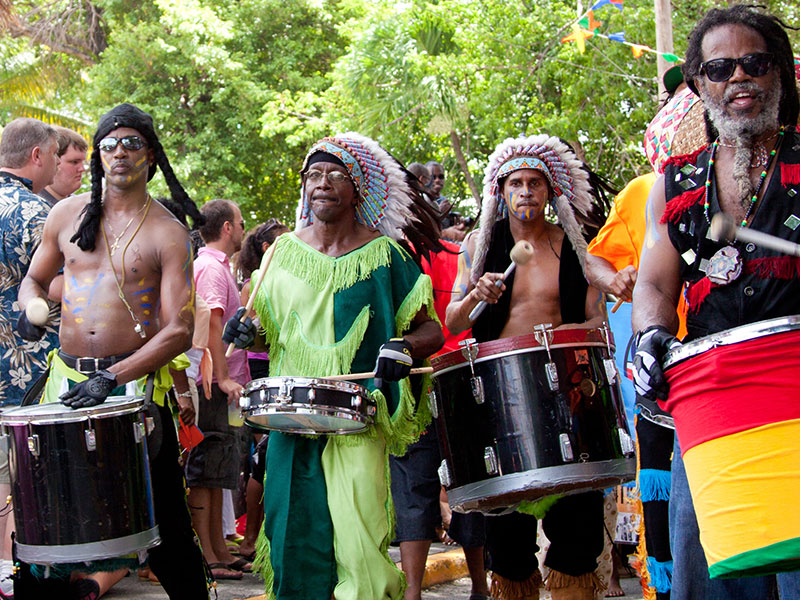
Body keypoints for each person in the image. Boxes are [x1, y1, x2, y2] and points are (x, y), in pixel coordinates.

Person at [225, 131, 444, 600]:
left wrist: (404, 347)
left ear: (358, 187)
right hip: (289, 421)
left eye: (336, 174)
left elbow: (432, 331)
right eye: (314, 174)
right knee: (290, 534)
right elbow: (264, 328)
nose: (323, 183)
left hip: (358, 420)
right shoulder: (281, 254)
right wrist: (247, 333)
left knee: (360, 541)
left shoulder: (388, 256)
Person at [631, 6, 800, 599]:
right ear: (701, 85)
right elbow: (653, 283)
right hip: (711, 410)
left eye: (754, 63)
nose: (739, 79)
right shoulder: (675, 183)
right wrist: (648, 335)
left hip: (797, 401)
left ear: (780, 72)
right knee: (713, 581)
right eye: (720, 68)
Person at [16, 103, 209, 599]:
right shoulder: (65, 213)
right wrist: (30, 307)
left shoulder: (167, 231)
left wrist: (114, 377)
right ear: (98, 154)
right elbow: (34, 280)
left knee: (161, 520)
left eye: (131, 144)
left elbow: (179, 330)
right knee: (53, 521)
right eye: (108, 145)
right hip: (64, 386)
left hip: (132, 392)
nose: (118, 153)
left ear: (151, 154)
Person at [445, 134, 607, 600]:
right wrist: (478, 293)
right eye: (516, 182)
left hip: (568, 396)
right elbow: (453, 320)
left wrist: (572, 338)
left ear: (549, 190)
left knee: (578, 530)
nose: (526, 192)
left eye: (535, 183)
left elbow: (597, 317)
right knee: (509, 545)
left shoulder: (571, 247)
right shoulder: (479, 245)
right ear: (501, 191)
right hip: (500, 400)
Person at [585, 65, 697, 600]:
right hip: (666, 363)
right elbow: (599, 262)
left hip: (752, 365)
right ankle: (667, 586)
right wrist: (620, 279)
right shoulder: (645, 191)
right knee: (667, 487)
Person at [0, 116, 61, 598]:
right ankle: (16, 578)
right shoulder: (35, 212)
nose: (60, 164)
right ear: (37, 157)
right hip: (27, 370)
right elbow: (66, 280)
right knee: (23, 480)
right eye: (57, 155)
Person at [187, 198, 252, 581]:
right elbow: (211, 321)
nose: (243, 229)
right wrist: (224, 377)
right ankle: (208, 555)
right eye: (240, 222)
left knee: (219, 470)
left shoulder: (216, 266)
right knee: (205, 470)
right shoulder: (210, 268)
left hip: (221, 381)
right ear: (227, 227)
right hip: (211, 381)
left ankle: (217, 550)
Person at [234, 218, 289, 562]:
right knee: (262, 455)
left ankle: (266, 536)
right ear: (268, 249)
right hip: (259, 371)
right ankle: (250, 537)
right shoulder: (254, 283)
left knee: (270, 454)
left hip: (282, 368)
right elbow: (249, 328)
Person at [38, 126, 88, 206]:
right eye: (74, 162)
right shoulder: (36, 207)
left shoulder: (81, 206)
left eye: (82, 162)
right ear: (53, 160)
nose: (82, 169)